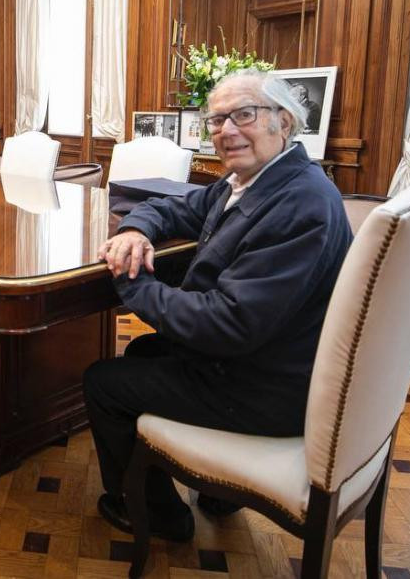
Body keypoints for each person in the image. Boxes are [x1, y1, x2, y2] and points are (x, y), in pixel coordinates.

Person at [83, 68, 353, 542]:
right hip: (270, 361)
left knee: (104, 382)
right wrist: (134, 230)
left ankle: (163, 517)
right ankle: (220, 492)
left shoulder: (300, 204)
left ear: (283, 122)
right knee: (143, 355)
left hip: (270, 390)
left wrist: (132, 283)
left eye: (243, 115)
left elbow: (228, 323)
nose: (227, 131)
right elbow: (170, 205)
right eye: (217, 120)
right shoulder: (257, 180)